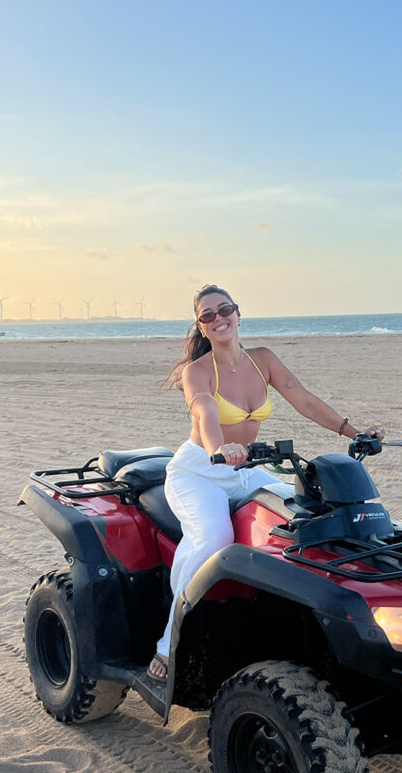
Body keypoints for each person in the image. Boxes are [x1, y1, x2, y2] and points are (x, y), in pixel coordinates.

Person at [148, 284, 385, 682]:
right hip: (199, 471)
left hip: (245, 471)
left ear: (238, 314)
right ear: (201, 327)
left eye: (225, 310)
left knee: (304, 515)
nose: (218, 318)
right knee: (212, 537)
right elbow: (205, 412)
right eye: (208, 315)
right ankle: (168, 641)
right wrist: (220, 448)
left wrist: (353, 432)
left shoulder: (263, 360)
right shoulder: (198, 371)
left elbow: (304, 399)